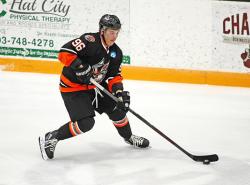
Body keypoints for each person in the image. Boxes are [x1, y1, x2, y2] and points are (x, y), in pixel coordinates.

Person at [38, 14, 150, 160]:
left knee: (118, 108)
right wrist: (79, 65)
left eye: (117, 32)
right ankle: (52, 137)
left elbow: (114, 76)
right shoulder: (89, 41)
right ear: (102, 30)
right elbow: (65, 52)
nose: (114, 36)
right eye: (111, 32)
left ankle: (128, 137)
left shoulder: (116, 53)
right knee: (86, 123)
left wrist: (119, 92)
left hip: (95, 86)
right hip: (73, 87)